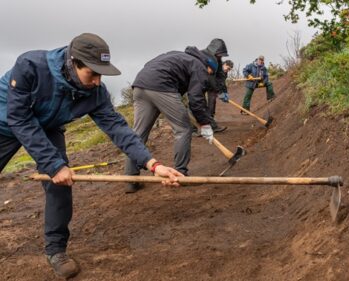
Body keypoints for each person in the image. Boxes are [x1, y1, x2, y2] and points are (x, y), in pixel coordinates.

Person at [0, 33, 183, 279]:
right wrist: (54, 165)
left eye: (101, 75)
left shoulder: (95, 92)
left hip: (49, 126)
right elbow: (19, 119)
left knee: (61, 184)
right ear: (72, 64)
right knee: (57, 168)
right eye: (92, 73)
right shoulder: (31, 66)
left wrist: (153, 164)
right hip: (6, 122)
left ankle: (56, 250)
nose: (97, 81)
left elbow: (119, 129)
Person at [124, 45, 218, 193]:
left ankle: (131, 180)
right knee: (183, 130)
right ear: (209, 66)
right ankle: (180, 174)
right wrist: (205, 123)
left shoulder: (180, 56)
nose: (208, 76)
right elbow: (196, 98)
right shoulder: (199, 67)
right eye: (211, 72)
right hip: (161, 86)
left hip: (140, 85)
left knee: (138, 135)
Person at [202, 38, 230, 132]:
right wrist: (218, 90)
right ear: (213, 51)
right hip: (197, 83)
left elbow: (220, 77)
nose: (220, 57)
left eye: (221, 55)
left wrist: (223, 91)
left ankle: (211, 125)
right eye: (219, 55)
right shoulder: (201, 57)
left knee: (212, 101)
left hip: (210, 85)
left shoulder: (218, 61)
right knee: (198, 103)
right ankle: (193, 128)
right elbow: (210, 78)